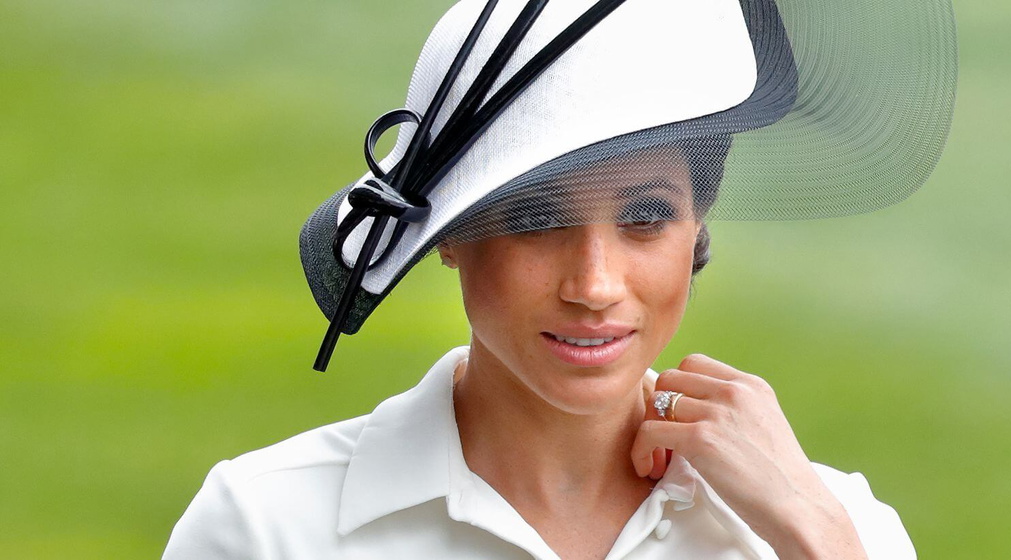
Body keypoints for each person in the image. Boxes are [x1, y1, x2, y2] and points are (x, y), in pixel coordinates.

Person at [164, 0, 956, 558]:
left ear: (698, 225)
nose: (595, 284)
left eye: (646, 216)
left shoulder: (832, 523)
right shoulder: (266, 528)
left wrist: (813, 537)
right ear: (446, 236)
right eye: (538, 220)